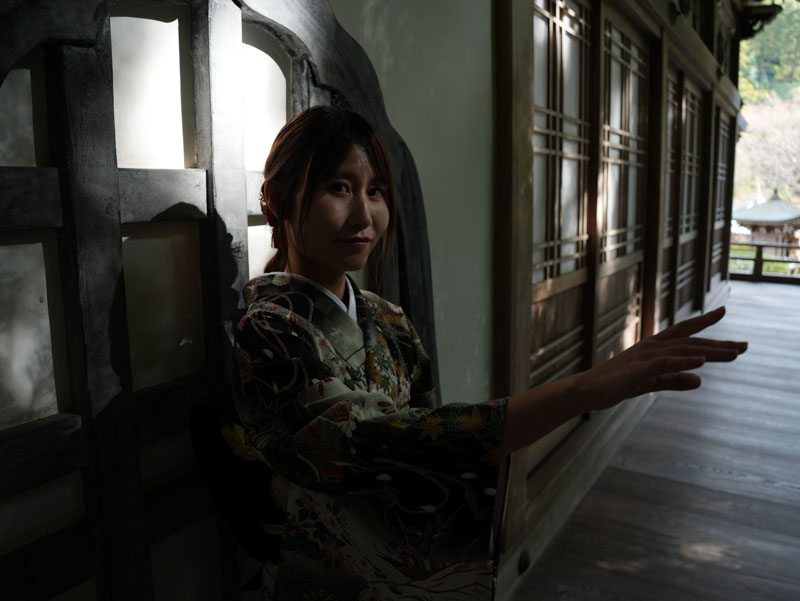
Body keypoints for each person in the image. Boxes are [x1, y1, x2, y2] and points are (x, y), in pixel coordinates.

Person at [232, 106, 747, 600]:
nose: (364, 215)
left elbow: (430, 440)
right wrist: (582, 390)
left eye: (376, 191)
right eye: (339, 188)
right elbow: (368, 441)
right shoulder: (268, 331)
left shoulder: (388, 319)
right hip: (323, 580)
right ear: (277, 198)